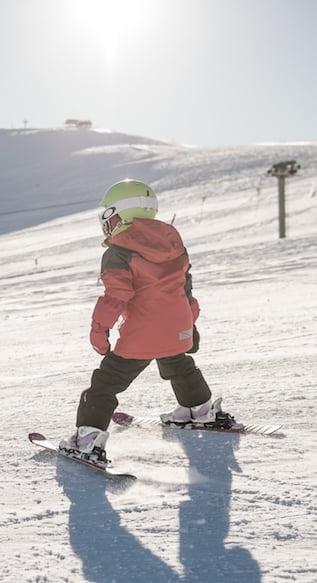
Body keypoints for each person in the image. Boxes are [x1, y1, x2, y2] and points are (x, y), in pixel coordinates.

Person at [60, 179, 218, 464]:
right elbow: (185, 287)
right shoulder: (174, 243)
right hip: (177, 326)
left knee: (105, 384)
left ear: (120, 214)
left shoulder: (118, 252)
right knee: (178, 363)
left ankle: (87, 439)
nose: (105, 222)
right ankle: (200, 409)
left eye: (107, 214)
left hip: (142, 333)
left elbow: (116, 296)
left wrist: (99, 330)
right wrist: (190, 324)